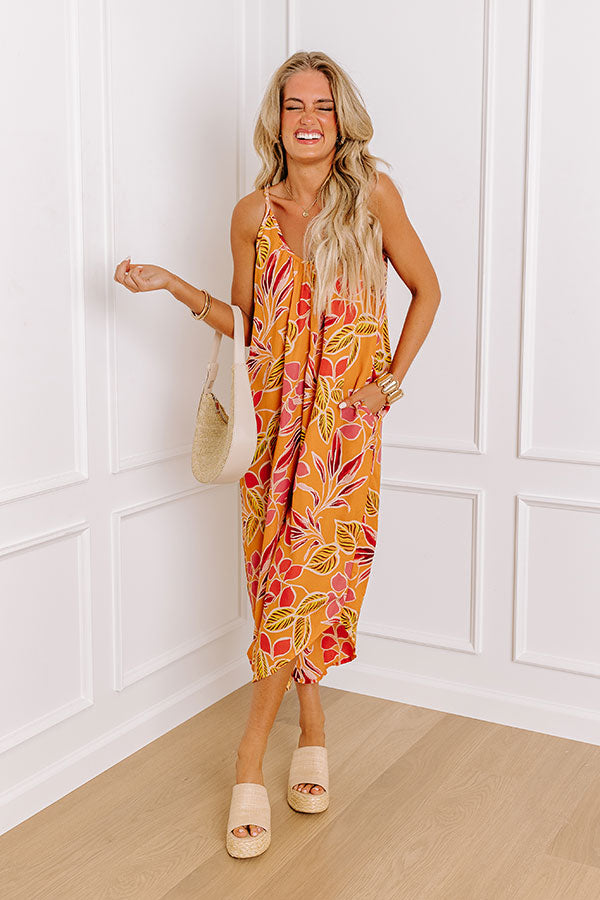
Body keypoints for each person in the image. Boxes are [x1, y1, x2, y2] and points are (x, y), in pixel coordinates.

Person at [114, 50, 441, 858]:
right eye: (295, 105)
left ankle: (249, 758)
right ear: (277, 120)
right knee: (278, 584)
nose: (308, 119)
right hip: (273, 428)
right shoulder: (250, 215)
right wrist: (176, 288)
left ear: (341, 119)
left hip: (342, 437)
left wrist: (388, 386)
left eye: (322, 107)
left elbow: (427, 290)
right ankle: (315, 721)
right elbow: (254, 329)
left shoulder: (373, 197)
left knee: (302, 577)